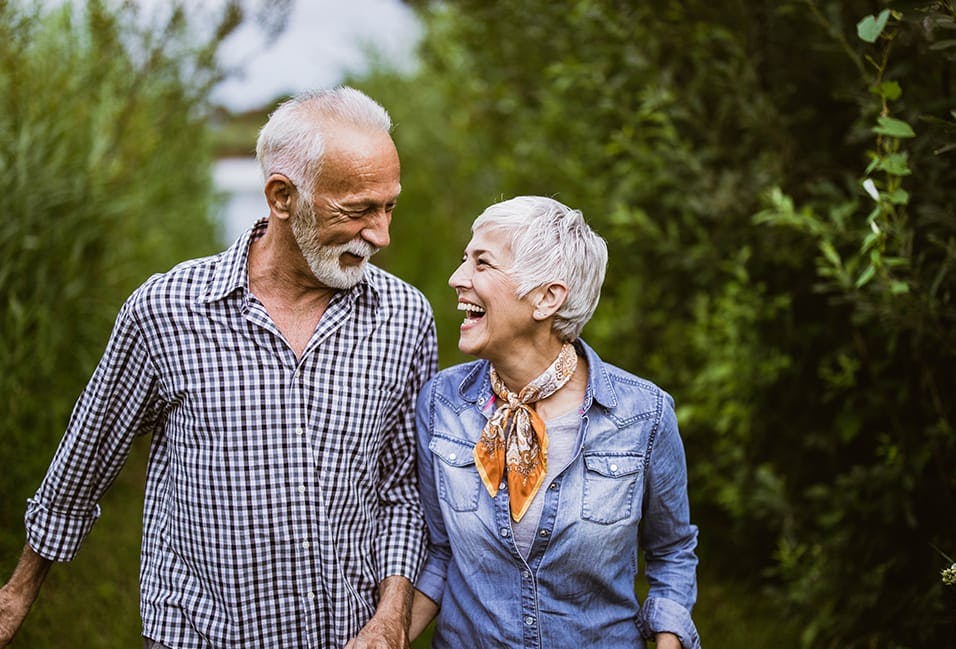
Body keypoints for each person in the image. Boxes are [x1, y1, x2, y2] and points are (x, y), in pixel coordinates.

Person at [0, 87, 437, 648]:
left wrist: (391, 616)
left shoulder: (404, 317)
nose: (381, 235)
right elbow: (86, 460)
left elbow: (402, 488)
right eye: (357, 211)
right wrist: (16, 594)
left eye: (389, 206)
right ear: (282, 197)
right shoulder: (167, 309)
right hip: (201, 634)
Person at [409, 196, 701, 649]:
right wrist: (385, 636)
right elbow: (439, 553)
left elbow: (672, 553)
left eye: (482, 264)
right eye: (464, 260)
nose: (457, 278)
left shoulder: (644, 415)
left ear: (546, 298)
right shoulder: (440, 405)